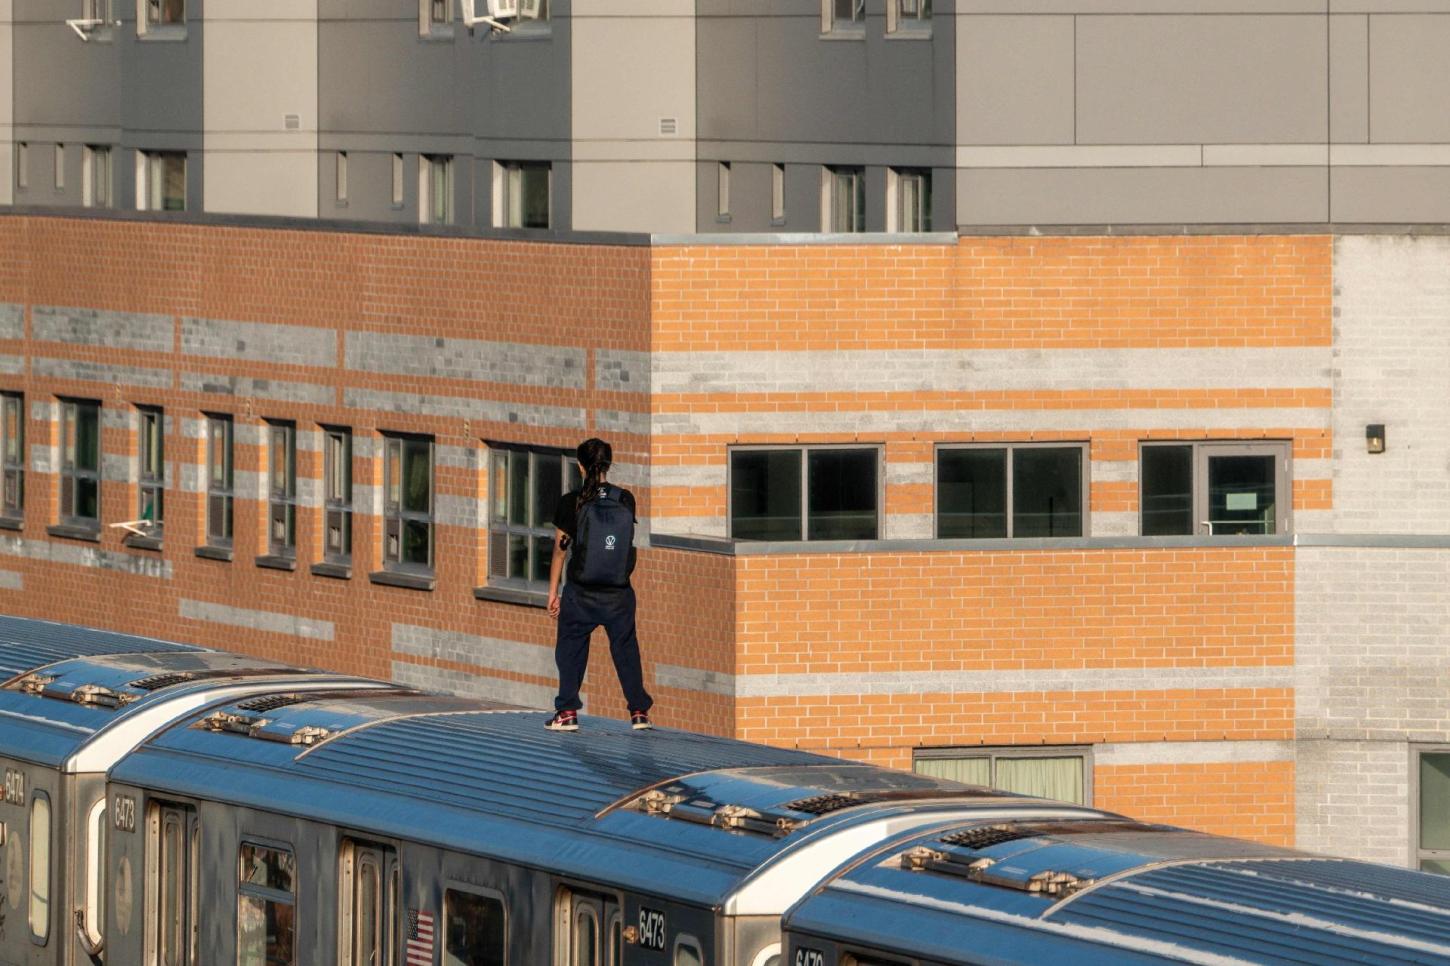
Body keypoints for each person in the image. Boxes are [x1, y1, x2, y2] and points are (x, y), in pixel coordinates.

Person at [545, 438, 654, 732]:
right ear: (608, 464)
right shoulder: (625, 499)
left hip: (581, 593)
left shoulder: (573, 501)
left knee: (570, 647)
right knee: (625, 649)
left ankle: (567, 712)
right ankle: (639, 712)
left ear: (580, 466)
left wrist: (553, 591)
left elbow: (560, 549)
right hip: (618, 593)